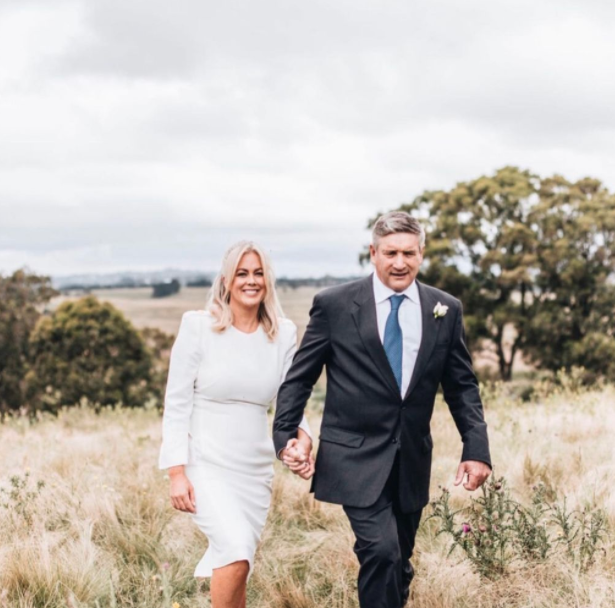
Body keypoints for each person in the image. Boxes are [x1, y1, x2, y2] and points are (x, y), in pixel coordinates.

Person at [274, 212, 492, 608]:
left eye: (409, 253)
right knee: (382, 552)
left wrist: (476, 448)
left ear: (421, 254)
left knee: (399, 561)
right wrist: (286, 435)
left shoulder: (445, 308)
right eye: (390, 252)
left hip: (411, 458)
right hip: (352, 455)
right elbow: (299, 377)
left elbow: (461, 386)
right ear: (373, 253)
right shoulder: (335, 305)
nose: (399, 262)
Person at [158, 240, 313, 608]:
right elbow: (176, 402)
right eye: (242, 273)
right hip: (205, 463)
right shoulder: (198, 327)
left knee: (240, 564)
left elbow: (291, 401)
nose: (251, 280)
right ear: (227, 280)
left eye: (258, 273)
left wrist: (303, 439)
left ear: (268, 280)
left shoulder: (283, 334)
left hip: (254, 470)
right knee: (236, 548)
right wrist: (176, 472)